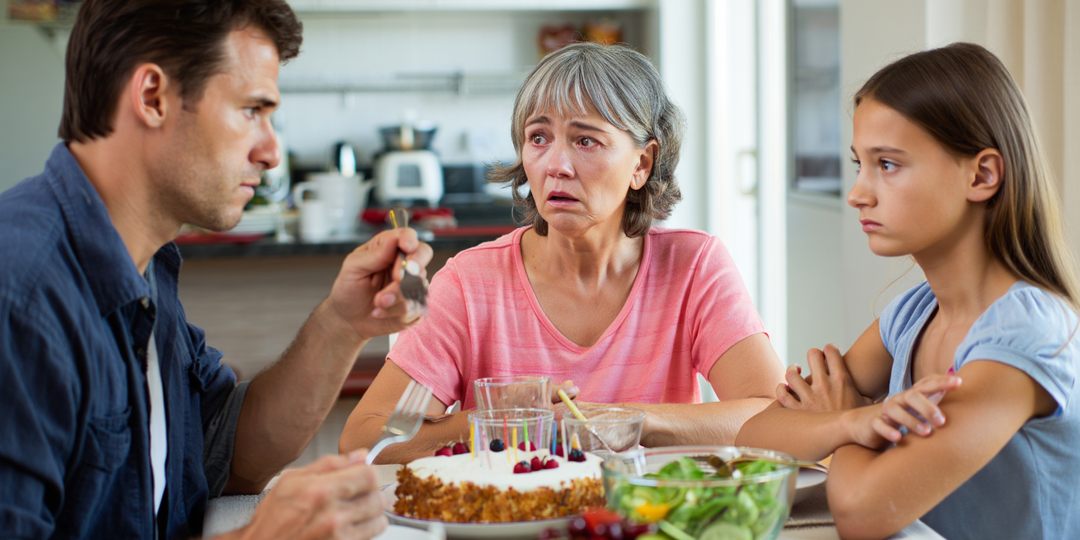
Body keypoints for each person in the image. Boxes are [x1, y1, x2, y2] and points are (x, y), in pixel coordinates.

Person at [0, 1, 432, 539]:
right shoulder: (20, 294)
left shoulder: (147, 266)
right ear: (153, 97)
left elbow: (229, 457)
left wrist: (342, 324)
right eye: (253, 110)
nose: (273, 151)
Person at [340, 43, 786, 463]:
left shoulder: (694, 267)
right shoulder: (469, 284)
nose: (556, 165)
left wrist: (632, 422)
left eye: (585, 140)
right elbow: (368, 438)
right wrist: (496, 422)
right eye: (538, 138)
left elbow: (777, 418)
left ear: (641, 164)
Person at [736, 43, 1080, 540]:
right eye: (860, 164)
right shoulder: (913, 315)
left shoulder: (1026, 335)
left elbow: (863, 514)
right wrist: (855, 424)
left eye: (889, 165)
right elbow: (754, 442)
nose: (858, 193)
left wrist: (847, 416)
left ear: (981, 175)